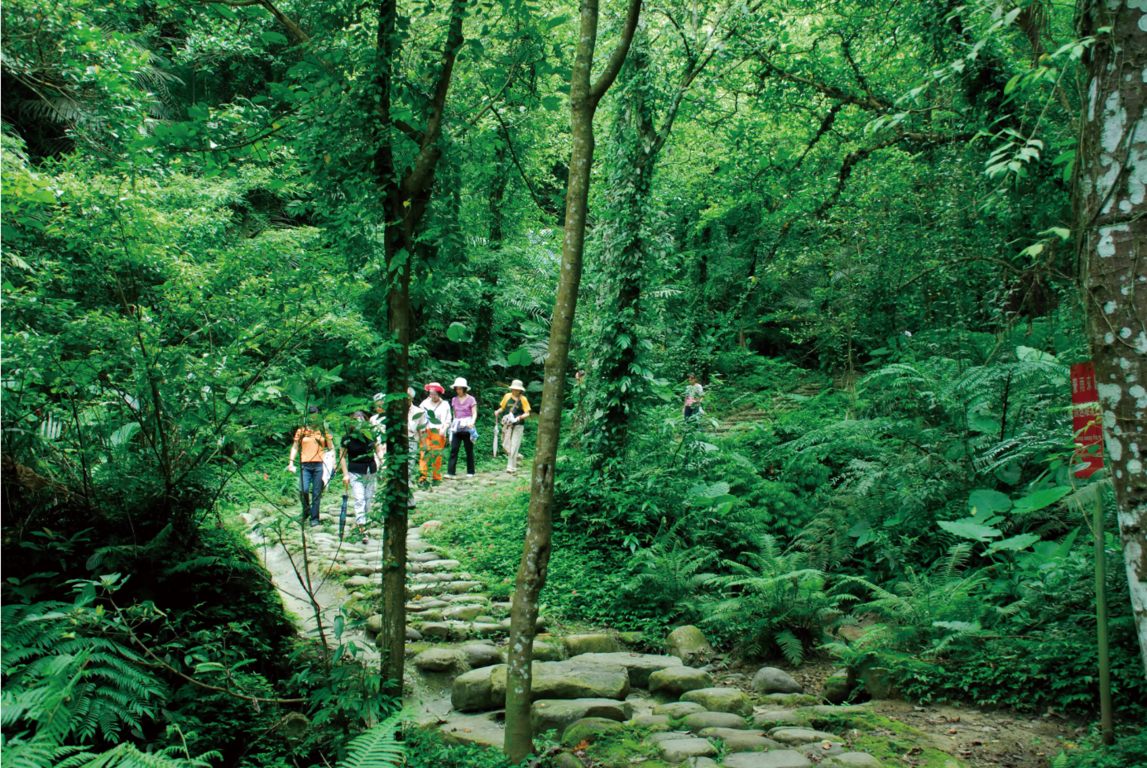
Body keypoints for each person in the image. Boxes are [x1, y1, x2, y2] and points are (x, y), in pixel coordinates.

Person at [340, 410, 384, 543]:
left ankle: (362, 520)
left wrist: (383, 463)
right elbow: (342, 457)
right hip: (355, 471)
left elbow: (378, 450)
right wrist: (345, 474)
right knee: (360, 499)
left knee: (368, 499)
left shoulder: (371, 435)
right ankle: (363, 528)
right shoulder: (347, 438)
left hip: (371, 470)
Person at [286, 405, 333, 527]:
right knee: (303, 489)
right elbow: (295, 447)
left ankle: (314, 518)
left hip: (320, 464)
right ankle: (306, 510)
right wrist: (291, 462)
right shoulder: (302, 431)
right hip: (305, 464)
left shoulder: (323, 430)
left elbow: (331, 448)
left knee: (317, 492)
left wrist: (333, 464)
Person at [494, 379, 530, 473]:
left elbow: (527, 413)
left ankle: (511, 467)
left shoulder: (523, 399)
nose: (515, 391)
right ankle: (518, 456)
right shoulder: (507, 396)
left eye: (517, 390)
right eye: (514, 389)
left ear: (520, 390)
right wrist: (498, 411)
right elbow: (503, 407)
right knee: (506, 445)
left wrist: (519, 418)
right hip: (508, 425)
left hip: (518, 425)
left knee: (514, 445)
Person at [418, 382, 451, 482]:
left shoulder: (444, 404)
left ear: (439, 394)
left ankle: (436, 477)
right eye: (430, 394)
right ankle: (422, 478)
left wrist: (444, 429)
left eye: (435, 394)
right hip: (425, 431)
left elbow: (448, 419)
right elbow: (420, 415)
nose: (433, 396)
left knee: (436, 455)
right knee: (424, 454)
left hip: (438, 431)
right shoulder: (424, 403)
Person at [446, 377, 478, 479]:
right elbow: (455, 413)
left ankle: (470, 471)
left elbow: (474, 413)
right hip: (457, 425)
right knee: (454, 449)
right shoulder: (454, 399)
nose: (458, 391)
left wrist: (472, 422)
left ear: (464, 389)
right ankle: (451, 472)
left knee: (468, 449)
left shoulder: (471, 399)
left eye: (460, 389)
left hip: (467, 424)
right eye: (457, 389)